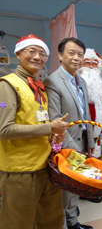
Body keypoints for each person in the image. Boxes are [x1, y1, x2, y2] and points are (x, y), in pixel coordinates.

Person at [0, 34, 69, 229]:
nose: (37, 57)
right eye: (31, 51)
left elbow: (35, 122)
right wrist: (49, 127)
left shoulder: (39, 87)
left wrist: (55, 134)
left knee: (52, 218)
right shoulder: (7, 85)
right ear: (18, 53)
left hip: (45, 165)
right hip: (21, 169)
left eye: (42, 53)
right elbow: (4, 130)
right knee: (17, 222)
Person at [44, 38, 95, 229]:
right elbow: (56, 120)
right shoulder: (53, 81)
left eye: (80, 54)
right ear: (60, 55)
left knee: (76, 183)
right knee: (64, 186)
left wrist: (90, 141)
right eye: (71, 53)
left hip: (82, 139)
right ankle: (62, 224)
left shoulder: (81, 80)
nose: (76, 58)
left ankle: (73, 221)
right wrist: (76, 152)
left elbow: (86, 114)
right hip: (65, 142)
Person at [77, 48, 102, 204]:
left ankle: (91, 191)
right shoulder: (75, 85)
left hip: (97, 134)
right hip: (79, 133)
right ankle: (77, 190)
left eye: (94, 63)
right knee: (78, 162)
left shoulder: (101, 89)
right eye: (87, 63)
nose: (90, 67)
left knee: (95, 161)